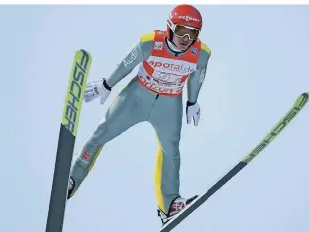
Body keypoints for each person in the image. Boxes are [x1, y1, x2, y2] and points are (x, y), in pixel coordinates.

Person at [67, 4, 211, 225]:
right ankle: (72, 180)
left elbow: (197, 76)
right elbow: (127, 64)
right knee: (102, 132)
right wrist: (107, 84)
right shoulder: (150, 42)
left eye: (192, 33)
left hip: (169, 103)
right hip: (137, 96)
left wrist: (192, 101)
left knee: (170, 150)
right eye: (181, 30)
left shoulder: (201, 53)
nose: (185, 38)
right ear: (170, 27)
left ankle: (169, 204)